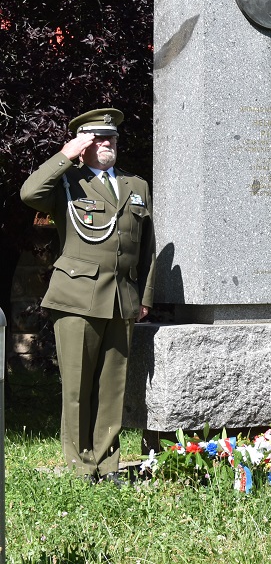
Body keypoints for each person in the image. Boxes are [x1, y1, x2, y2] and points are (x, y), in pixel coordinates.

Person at [20, 108, 155, 484]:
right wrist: (66, 155)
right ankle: (81, 467)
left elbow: (147, 246)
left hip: (122, 299)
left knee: (112, 387)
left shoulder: (136, 185)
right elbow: (29, 193)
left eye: (111, 136)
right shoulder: (68, 183)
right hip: (76, 298)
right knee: (78, 387)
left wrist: (144, 296)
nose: (107, 142)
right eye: (97, 138)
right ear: (83, 143)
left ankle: (107, 463)